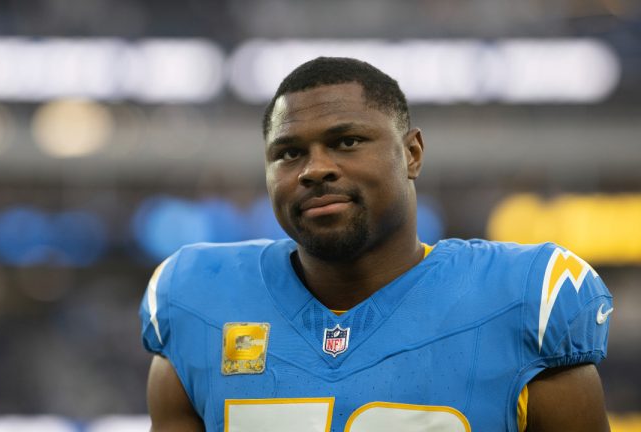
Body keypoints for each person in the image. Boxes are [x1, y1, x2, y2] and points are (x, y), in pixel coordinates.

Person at [139, 57, 613, 431]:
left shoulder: (525, 300)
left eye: (346, 142)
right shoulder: (194, 300)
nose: (314, 169)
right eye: (289, 153)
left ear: (412, 153)